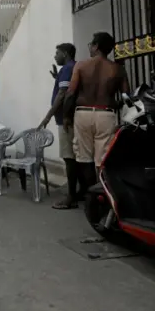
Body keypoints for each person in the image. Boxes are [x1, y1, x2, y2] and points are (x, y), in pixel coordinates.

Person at [64, 32, 129, 197]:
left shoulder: (80, 66)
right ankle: (103, 195)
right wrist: (113, 103)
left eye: (91, 45)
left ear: (96, 46)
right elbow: (126, 98)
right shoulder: (118, 69)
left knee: (84, 158)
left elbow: (71, 93)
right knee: (102, 160)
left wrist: (66, 116)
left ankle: (90, 194)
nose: (90, 48)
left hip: (83, 114)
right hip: (106, 115)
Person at [38, 43, 80, 210]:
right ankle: (79, 192)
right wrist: (57, 78)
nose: (55, 57)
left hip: (66, 120)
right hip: (70, 118)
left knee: (69, 158)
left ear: (65, 53)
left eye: (57, 53)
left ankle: (71, 197)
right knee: (76, 157)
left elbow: (63, 94)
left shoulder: (68, 69)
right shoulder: (71, 68)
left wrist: (47, 117)